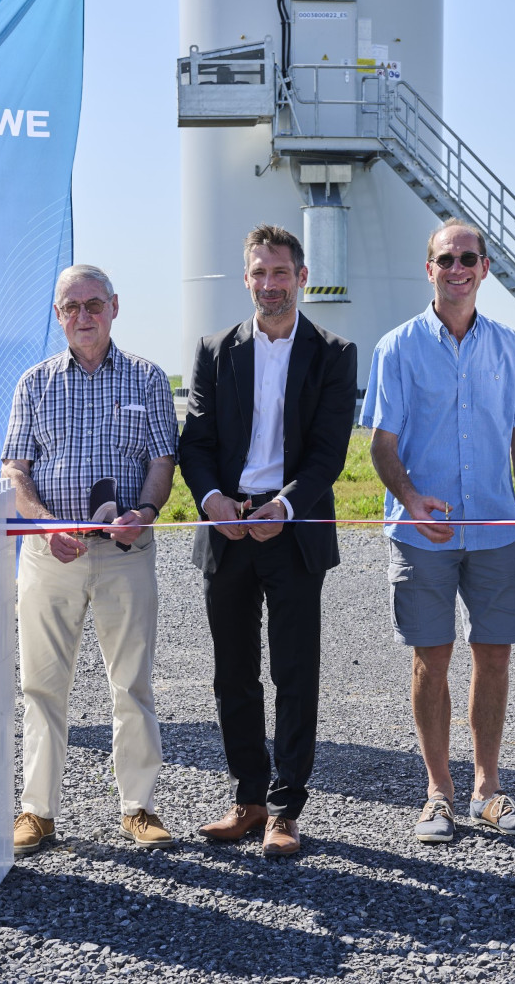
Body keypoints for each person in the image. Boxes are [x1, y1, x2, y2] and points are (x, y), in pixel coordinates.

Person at [361, 217, 515, 844]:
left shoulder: (510, 347)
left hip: (498, 532)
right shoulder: (397, 347)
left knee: (494, 655)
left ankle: (488, 790)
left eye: (468, 258)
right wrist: (410, 498)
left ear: (484, 269)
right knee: (431, 659)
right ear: (430, 269)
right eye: (446, 259)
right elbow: (382, 444)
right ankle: (438, 794)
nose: (457, 268)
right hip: (424, 536)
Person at [177, 223, 358, 857]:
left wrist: (284, 506)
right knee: (233, 673)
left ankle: (286, 809)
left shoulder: (334, 353)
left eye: (280, 272)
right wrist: (211, 500)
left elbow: (328, 454)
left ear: (302, 277)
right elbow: (194, 445)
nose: (269, 284)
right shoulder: (214, 349)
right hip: (227, 530)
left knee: (294, 672)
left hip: (293, 530)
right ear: (246, 277)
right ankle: (248, 799)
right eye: (258, 272)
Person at [1, 264, 179, 857]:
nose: (83, 316)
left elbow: (161, 460)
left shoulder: (148, 379)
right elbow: (15, 470)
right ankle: (37, 812)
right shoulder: (34, 383)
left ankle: (139, 807)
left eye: (93, 304)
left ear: (115, 307)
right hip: (51, 555)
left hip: (126, 552)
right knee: (42, 686)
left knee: (131, 683)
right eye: (71, 306)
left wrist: (146, 512)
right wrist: (46, 527)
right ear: (57, 315)